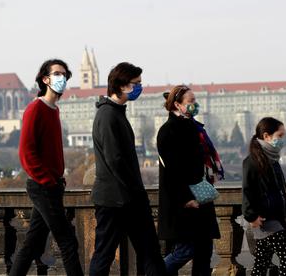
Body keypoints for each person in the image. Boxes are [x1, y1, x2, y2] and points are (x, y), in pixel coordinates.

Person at [89, 62, 166, 276]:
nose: (140, 88)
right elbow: (115, 160)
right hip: (117, 199)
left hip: (125, 196)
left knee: (150, 251)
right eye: (137, 84)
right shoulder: (107, 115)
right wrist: (134, 191)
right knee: (104, 255)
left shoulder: (115, 113)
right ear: (122, 85)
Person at [9, 59, 84, 276]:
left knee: (33, 243)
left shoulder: (53, 109)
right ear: (45, 79)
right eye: (57, 74)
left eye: (65, 75)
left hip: (52, 185)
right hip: (43, 186)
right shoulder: (36, 108)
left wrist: (57, 178)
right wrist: (48, 180)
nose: (62, 78)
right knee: (68, 243)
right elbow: (26, 153)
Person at [156, 85, 223, 276]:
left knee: (204, 252)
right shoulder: (168, 131)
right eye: (191, 101)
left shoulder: (193, 127)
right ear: (177, 104)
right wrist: (186, 198)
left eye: (195, 100)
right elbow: (173, 172)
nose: (195, 104)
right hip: (184, 203)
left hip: (200, 197)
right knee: (184, 251)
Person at [242, 117, 286, 276]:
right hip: (265, 219)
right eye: (280, 135)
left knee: (262, 261)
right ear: (266, 136)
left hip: (275, 217)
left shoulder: (272, 158)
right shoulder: (252, 161)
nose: (282, 140)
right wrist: (251, 216)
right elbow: (247, 190)